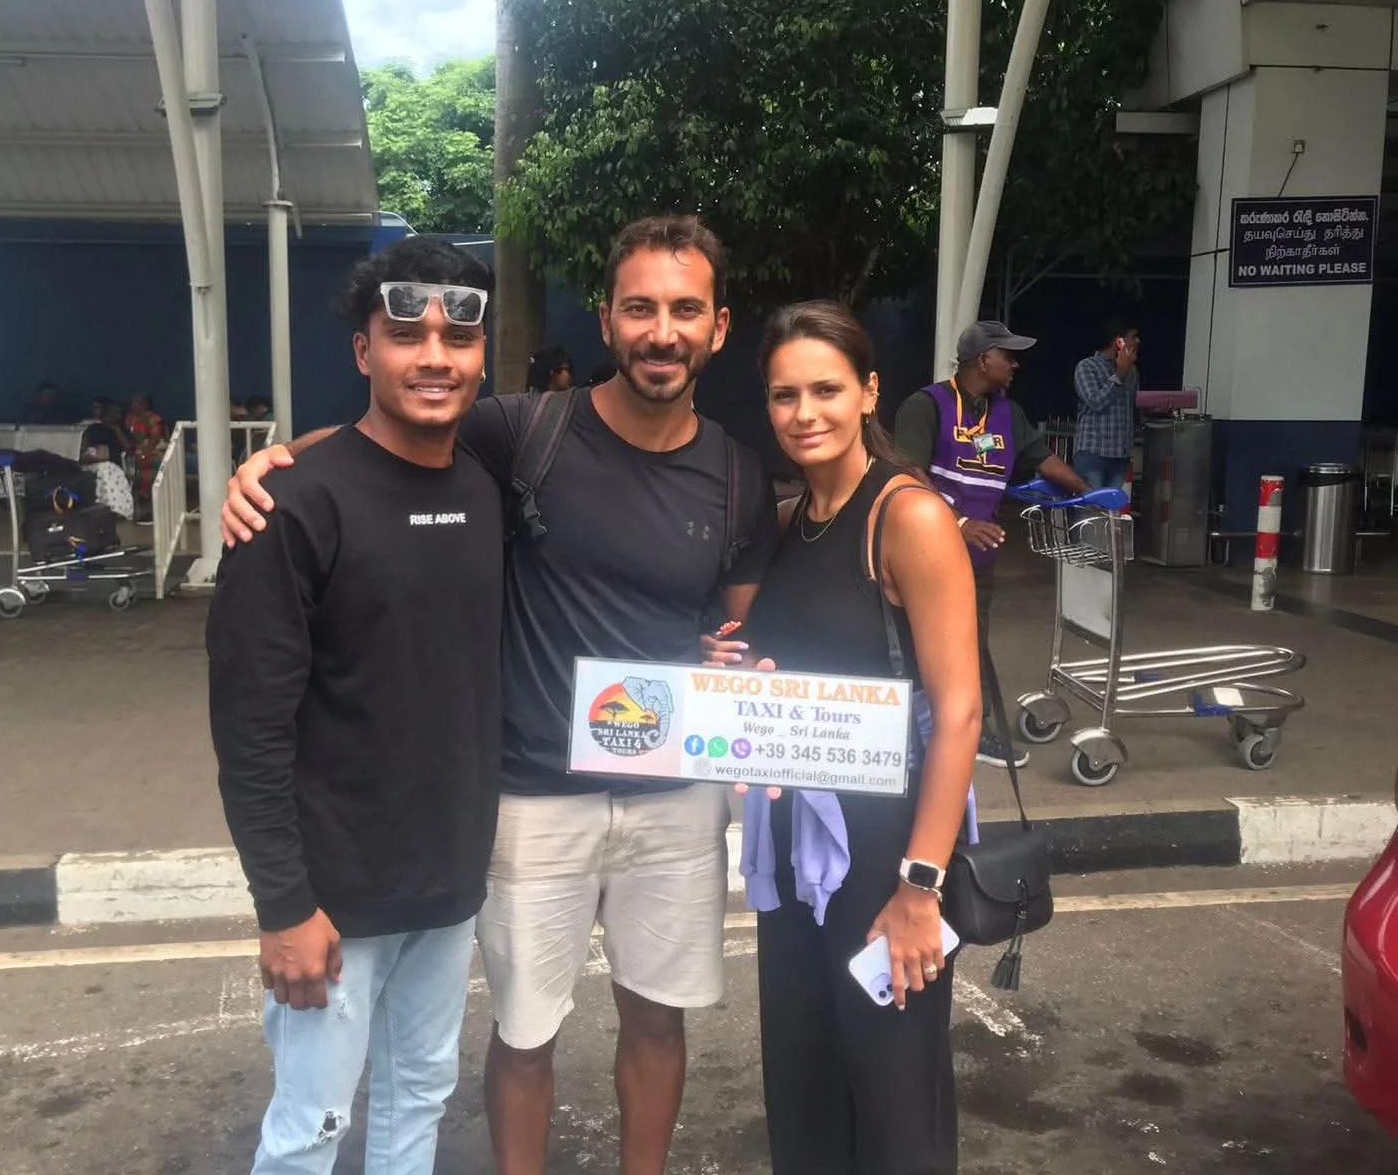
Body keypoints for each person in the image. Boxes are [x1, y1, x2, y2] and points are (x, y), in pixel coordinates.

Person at [222, 215, 778, 1175]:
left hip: (655, 803)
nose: (662, 331)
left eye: (685, 310)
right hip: (525, 799)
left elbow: (729, 632)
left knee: (619, 1029)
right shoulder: (523, 432)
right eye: (640, 307)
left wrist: (738, 677)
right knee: (509, 1038)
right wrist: (269, 464)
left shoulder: (736, 475)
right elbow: (389, 433)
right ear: (606, 321)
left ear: (718, 328)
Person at [208, 237, 503, 1175]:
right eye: (405, 333)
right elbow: (248, 725)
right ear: (362, 351)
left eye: (456, 338)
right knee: (312, 1128)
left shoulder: (487, 491)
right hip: (333, 898)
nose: (434, 357)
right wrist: (284, 905)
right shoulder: (291, 507)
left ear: (481, 355)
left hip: (448, 882)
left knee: (422, 1099)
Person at [705, 301, 982, 1174]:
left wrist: (919, 888)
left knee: (892, 1093)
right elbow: (765, 668)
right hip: (792, 850)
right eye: (785, 396)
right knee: (805, 1076)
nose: (804, 413)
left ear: (868, 392)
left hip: (883, 850)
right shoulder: (787, 523)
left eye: (826, 389)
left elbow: (961, 711)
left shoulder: (908, 518)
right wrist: (730, 667)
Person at [893, 320, 1088, 769]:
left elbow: (1042, 458)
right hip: (923, 553)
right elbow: (908, 474)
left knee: (969, 642)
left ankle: (969, 733)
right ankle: (904, 736)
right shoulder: (926, 406)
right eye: (1008, 355)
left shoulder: (1007, 413)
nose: (1016, 364)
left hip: (977, 559)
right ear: (984, 360)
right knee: (910, 640)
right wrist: (957, 522)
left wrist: (1087, 491)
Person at [1073, 318, 1140, 491]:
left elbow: (1134, 408)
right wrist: (1119, 375)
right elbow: (1096, 402)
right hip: (1093, 452)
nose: (1138, 341)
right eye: (1134, 336)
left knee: (1112, 511)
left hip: (1120, 456)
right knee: (1091, 512)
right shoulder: (1087, 367)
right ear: (1119, 341)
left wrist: (1158, 410)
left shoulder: (1132, 371)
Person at [124, 392, 165, 518]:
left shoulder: (154, 418)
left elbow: (155, 439)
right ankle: (140, 503)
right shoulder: (130, 418)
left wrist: (143, 451)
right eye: (133, 402)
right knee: (134, 464)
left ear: (146, 404)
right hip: (134, 451)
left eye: (138, 402)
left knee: (150, 463)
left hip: (153, 449)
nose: (135, 405)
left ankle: (146, 498)